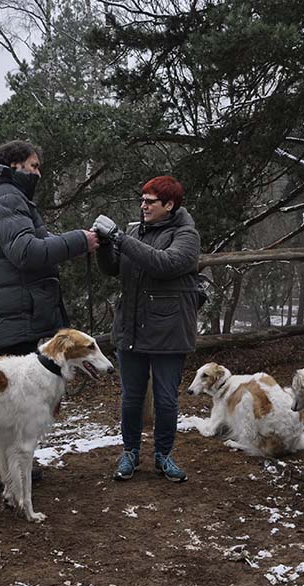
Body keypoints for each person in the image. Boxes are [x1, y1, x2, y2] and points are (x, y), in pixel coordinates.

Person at [0, 140, 100, 498]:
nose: (38, 173)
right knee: (5, 399)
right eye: (33, 166)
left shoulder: (1, 195)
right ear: (14, 165)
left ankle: (5, 465)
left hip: (16, 310)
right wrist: (78, 241)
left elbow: (32, 241)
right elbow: (25, 251)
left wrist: (64, 241)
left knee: (9, 397)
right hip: (16, 312)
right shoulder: (5, 197)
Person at [93, 176, 202, 483]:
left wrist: (119, 238)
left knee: (166, 400)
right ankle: (130, 453)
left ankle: (163, 455)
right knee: (131, 398)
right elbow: (112, 269)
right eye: (141, 200)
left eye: (150, 201)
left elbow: (164, 264)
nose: (143, 205)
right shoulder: (134, 231)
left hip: (170, 331)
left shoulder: (186, 235)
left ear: (169, 205)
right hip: (131, 327)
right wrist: (105, 244)